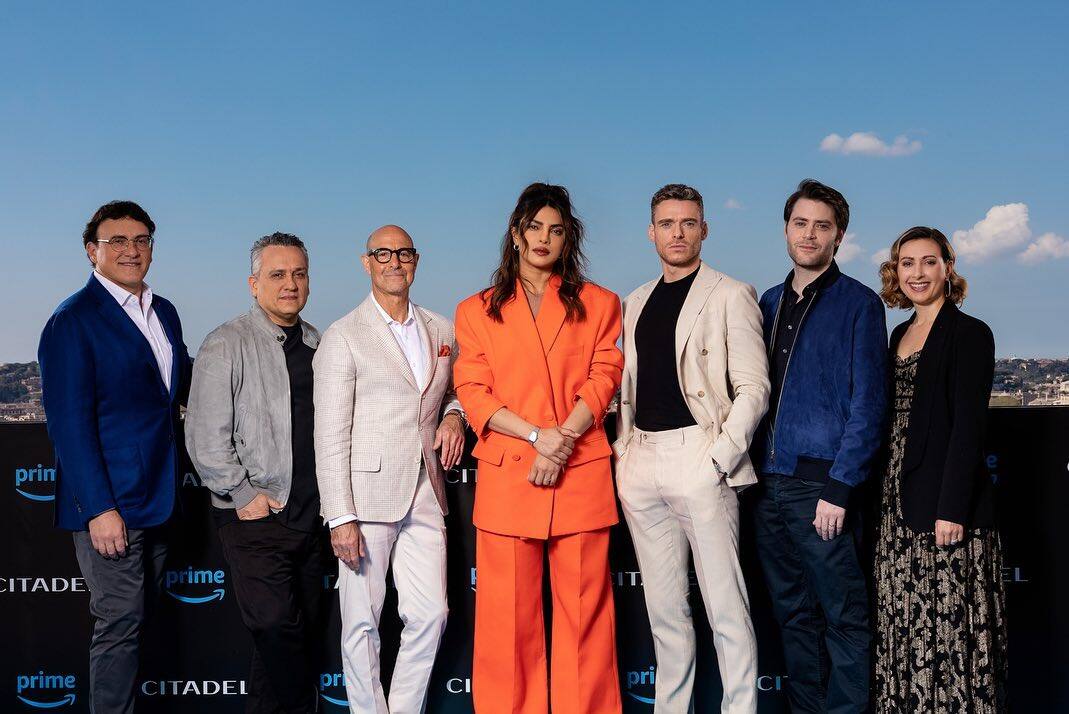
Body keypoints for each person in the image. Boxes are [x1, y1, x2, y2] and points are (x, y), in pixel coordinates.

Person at [453, 182, 624, 714]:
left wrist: (560, 441)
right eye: (534, 227)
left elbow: (604, 376)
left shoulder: (600, 303)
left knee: (585, 619)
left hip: (578, 470)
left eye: (556, 229)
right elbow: (473, 392)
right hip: (510, 473)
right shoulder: (475, 310)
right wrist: (536, 437)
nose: (544, 238)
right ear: (516, 233)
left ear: (569, 238)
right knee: (506, 623)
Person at [614, 184, 769, 713]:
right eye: (666, 223)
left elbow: (754, 387)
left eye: (687, 223)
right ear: (651, 232)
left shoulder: (730, 293)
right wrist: (624, 452)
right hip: (641, 460)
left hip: (699, 456)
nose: (677, 233)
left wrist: (719, 458)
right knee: (664, 614)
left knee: (726, 610)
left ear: (704, 229)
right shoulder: (634, 301)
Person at [38, 200, 192, 714]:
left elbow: (176, 387)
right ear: (92, 251)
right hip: (113, 505)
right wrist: (99, 508)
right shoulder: (73, 320)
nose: (132, 250)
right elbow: (69, 426)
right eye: (117, 241)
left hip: (160, 497)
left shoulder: (163, 310)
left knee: (142, 623)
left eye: (141, 240)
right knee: (120, 624)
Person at [313, 225, 465, 714]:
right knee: (362, 622)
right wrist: (340, 516)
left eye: (403, 253)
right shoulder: (343, 336)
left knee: (432, 614)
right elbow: (329, 434)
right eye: (383, 253)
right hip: (366, 497)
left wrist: (454, 417)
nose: (394, 262)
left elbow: (456, 392)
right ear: (367, 263)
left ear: (416, 261)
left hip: (426, 489)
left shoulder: (441, 329)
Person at [749, 179, 888, 713]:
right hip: (766, 487)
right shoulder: (766, 301)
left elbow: (869, 406)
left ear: (839, 236)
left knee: (844, 616)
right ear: (786, 229)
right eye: (800, 223)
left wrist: (840, 487)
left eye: (822, 226)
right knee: (793, 616)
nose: (809, 234)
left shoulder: (860, 304)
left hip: (822, 490)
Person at [185, 232, 331, 713]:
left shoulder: (321, 344)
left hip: (312, 518)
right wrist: (243, 495)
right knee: (275, 627)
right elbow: (204, 436)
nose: (291, 284)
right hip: (255, 516)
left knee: (297, 638)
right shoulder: (225, 343)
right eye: (278, 274)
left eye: (299, 274)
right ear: (254, 284)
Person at [873, 226, 1008, 712]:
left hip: (947, 505)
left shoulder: (970, 333)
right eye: (907, 263)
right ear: (895, 271)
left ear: (948, 268)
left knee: (950, 629)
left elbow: (968, 429)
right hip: (895, 498)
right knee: (904, 622)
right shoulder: (898, 334)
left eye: (929, 261)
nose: (918, 273)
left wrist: (951, 509)